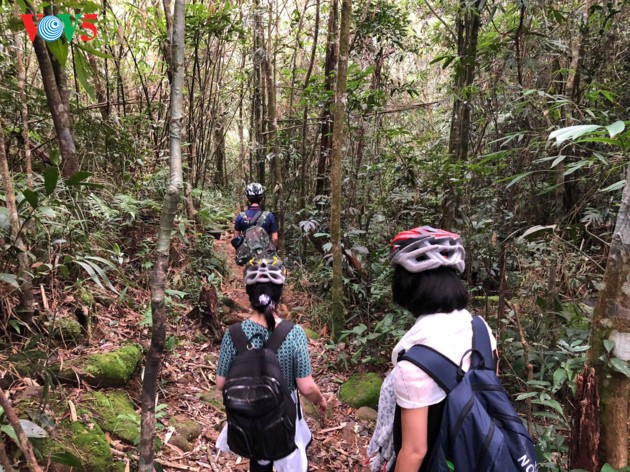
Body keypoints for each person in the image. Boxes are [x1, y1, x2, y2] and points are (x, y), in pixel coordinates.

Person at [380, 226, 497, 472]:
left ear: (406, 284)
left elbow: (414, 452)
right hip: (480, 454)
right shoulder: (481, 329)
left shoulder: (414, 363)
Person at [215, 256, 327, 472]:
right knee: (289, 457)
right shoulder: (294, 334)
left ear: (249, 291)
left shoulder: (234, 334)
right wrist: (320, 399)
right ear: (279, 291)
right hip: (283, 415)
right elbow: (305, 387)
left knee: (259, 459)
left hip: (247, 413)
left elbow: (221, 383)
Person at [233, 182, 279, 248]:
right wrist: (271, 251)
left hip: (247, 255)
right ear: (262, 199)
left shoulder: (240, 216)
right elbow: (275, 238)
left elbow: (236, 239)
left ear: (248, 198)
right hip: (265, 255)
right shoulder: (269, 216)